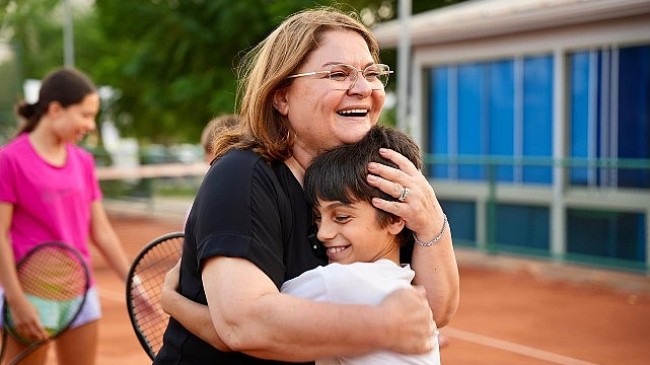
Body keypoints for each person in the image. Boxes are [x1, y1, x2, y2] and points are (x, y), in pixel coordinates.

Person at [154, 7, 459, 364]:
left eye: (371, 73)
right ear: (282, 96)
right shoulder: (242, 176)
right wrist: (382, 326)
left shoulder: (376, 172)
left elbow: (432, 314)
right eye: (338, 74)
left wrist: (431, 220)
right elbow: (244, 323)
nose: (362, 88)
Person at [0, 68, 132, 365]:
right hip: (31, 296)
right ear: (56, 109)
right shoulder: (9, 160)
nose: (90, 125)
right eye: (85, 115)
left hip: (81, 295)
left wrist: (131, 283)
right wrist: (16, 300)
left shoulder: (83, 161)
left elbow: (101, 230)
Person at [282, 125, 440, 364]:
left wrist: (200, 320)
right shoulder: (401, 279)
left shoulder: (343, 281)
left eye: (342, 217)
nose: (323, 233)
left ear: (396, 218)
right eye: (317, 217)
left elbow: (248, 318)